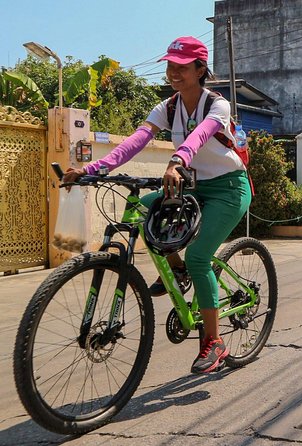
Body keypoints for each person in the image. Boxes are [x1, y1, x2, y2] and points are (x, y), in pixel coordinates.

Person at [62, 36, 252, 374]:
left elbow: (200, 137)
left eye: (181, 67)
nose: (173, 73)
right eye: (170, 66)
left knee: (200, 258)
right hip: (193, 187)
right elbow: (137, 140)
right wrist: (92, 169)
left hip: (228, 189)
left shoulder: (217, 106)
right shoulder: (168, 107)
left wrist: (177, 160)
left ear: (200, 69)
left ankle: (214, 341)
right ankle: (176, 270)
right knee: (142, 208)